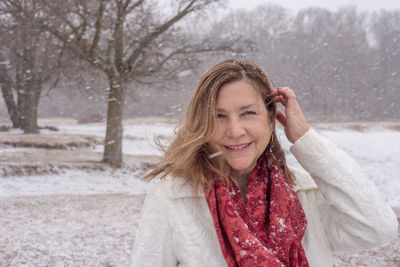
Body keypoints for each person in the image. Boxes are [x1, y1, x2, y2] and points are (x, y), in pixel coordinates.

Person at [131, 59, 398, 267]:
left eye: (248, 113)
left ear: (271, 117)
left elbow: (377, 228)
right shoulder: (173, 198)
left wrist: (306, 139)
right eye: (219, 116)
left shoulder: (304, 192)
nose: (235, 131)